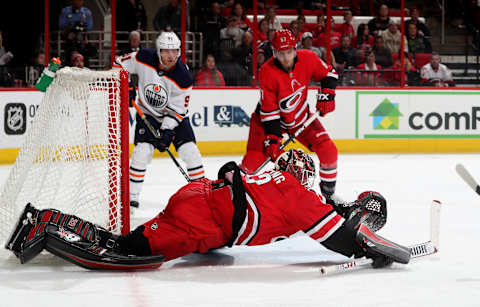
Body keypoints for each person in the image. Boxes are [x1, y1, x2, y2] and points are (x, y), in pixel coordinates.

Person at [6, 149, 410, 270]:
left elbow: (234, 172)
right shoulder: (299, 196)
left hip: (197, 198)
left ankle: (46, 218)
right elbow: (337, 236)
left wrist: (351, 220)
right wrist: (366, 249)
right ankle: (47, 229)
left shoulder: (276, 178)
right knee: (129, 253)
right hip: (202, 220)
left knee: (130, 239)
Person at [240, 29, 341, 203]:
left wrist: (328, 93)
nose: (286, 58)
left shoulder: (308, 58)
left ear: (295, 49)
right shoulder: (267, 71)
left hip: (300, 117)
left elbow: (329, 73)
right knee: (252, 162)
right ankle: (235, 195)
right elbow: (269, 110)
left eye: (289, 52)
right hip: (268, 122)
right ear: (274, 52)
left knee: (329, 151)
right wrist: (273, 139)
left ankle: (329, 197)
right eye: (281, 53)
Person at [113, 32, 204, 208]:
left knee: (191, 153)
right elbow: (118, 64)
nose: (171, 56)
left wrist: (167, 130)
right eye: (166, 51)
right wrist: (126, 86)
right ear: (158, 51)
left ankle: (201, 193)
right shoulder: (143, 57)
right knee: (141, 153)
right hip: (148, 113)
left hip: (175, 118)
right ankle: (131, 199)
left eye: (174, 51)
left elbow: (178, 110)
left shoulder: (183, 76)